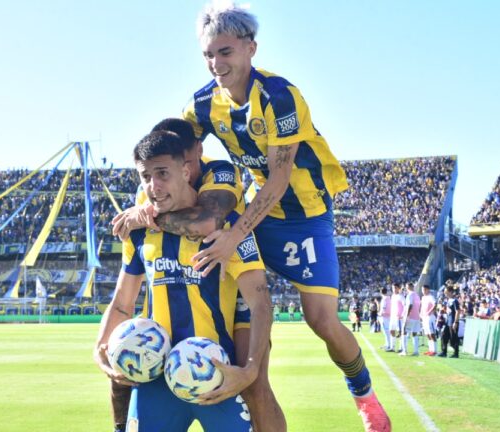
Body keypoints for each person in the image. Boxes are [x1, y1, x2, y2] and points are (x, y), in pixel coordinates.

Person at [184, 4, 390, 430]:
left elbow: (279, 181)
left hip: (305, 215)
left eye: (224, 52)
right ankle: (249, 384)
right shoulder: (203, 104)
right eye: (208, 55)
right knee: (239, 306)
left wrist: (233, 235)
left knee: (320, 319)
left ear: (250, 48)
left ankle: (364, 395)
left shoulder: (280, 97)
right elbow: (172, 147)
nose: (216, 64)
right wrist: (148, 198)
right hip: (258, 213)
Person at [110, 119, 285, 432]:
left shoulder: (224, 189)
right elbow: (122, 301)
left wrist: (249, 368)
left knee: (256, 385)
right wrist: (101, 349)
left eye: (163, 173)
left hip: (214, 364)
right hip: (158, 369)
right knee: (120, 370)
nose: (153, 184)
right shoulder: (140, 227)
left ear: (188, 165)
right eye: (147, 176)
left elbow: (207, 222)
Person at [438, 285, 460, 358]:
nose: (445, 293)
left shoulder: (455, 301)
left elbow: (457, 311)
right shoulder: (448, 300)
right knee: (444, 336)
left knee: (453, 338)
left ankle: (456, 353)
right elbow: (449, 311)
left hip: (453, 322)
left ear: (450, 292)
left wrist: (456, 322)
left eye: (446, 292)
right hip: (448, 322)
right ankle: (444, 352)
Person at [419, 285, 437, 356]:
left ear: (428, 290)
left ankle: (435, 350)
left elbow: (435, 304)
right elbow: (422, 307)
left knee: (432, 333)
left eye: (424, 289)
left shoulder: (431, 297)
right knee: (427, 334)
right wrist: (420, 314)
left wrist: (429, 311)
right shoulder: (423, 297)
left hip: (430, 317)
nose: (423, 291)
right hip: (424, 318)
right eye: (422, 290)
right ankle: (430, 350)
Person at [388, 284, 405, 353]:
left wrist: (402, 315)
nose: (394, 289)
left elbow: (405, 306)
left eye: (395, 288)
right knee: (391, 331)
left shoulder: (401, 296)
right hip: (393, 317)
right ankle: (392, 347)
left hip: (399, 317)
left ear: (399, 288)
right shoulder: (392, 296)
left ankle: (401, 347)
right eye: (393, 288)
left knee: (400, 332)